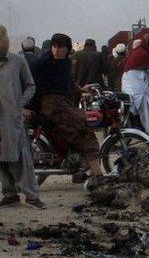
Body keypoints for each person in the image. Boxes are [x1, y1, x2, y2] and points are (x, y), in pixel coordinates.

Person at [0, 25, 44, 209]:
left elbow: (30, 85)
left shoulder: (17, 61)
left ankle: (32, 196)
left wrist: (20, 104)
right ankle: (9, 194)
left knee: (21, 158)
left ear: (3, 41)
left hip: (12, 119)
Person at [29, 33, 104, 183]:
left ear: (67, 49)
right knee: (84, 132)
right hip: (51, 105)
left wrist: (82, 89)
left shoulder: (66, 63)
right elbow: (30, 86)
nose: (56, 50)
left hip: (64, 104)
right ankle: (98, 176)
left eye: (60, 47)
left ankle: (79, 172)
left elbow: (69, 83)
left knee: (78, 128)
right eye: (54, 47)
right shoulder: (41, 64)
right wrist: (26, 106)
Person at [122, 38, 149, 147]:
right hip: (139, 91)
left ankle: (147, 137)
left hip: (128, 89)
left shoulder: (133, 53)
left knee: (145, 115)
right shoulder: (143, 54)